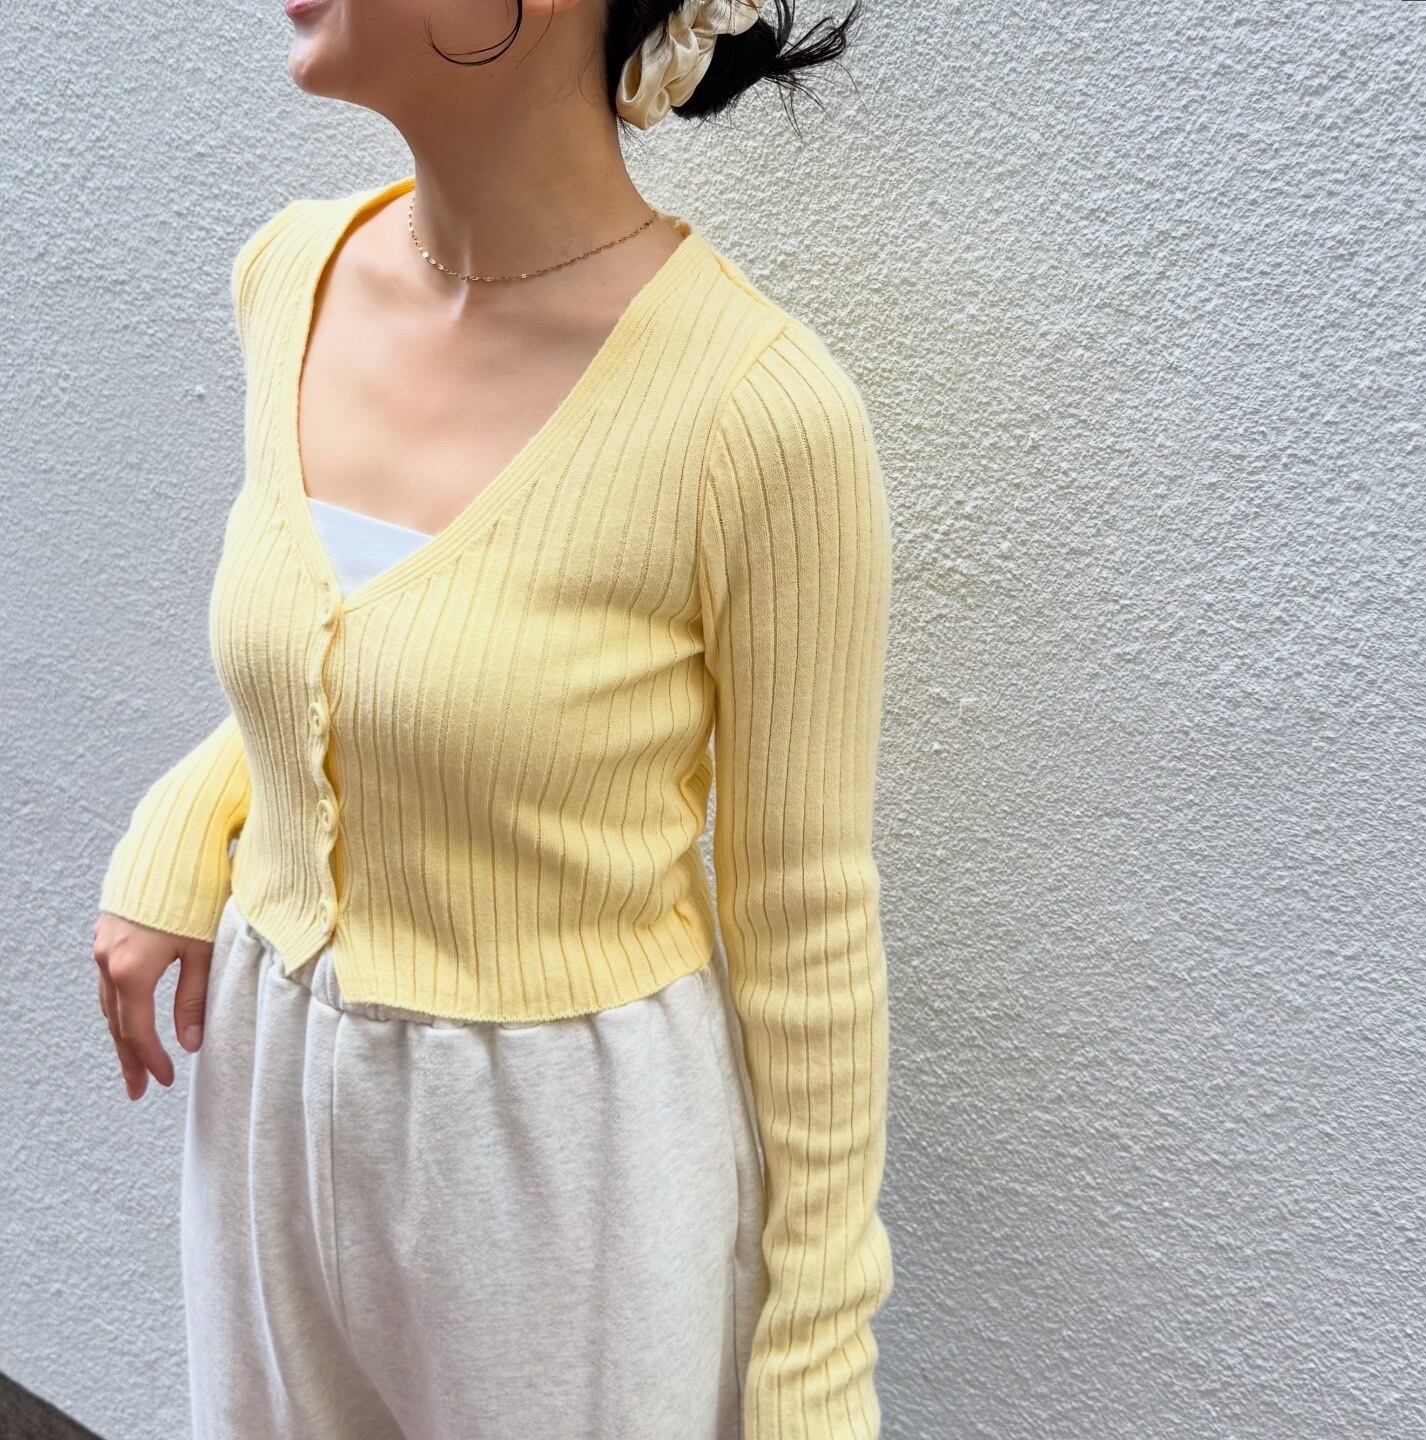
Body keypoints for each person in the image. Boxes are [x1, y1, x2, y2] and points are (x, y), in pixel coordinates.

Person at [92, 2, 895, 1436]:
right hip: (266, 1074)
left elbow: (806, 921)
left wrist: (815, 1380)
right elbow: (357, 661)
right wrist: (190, 826)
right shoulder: (291, 276)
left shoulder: (756, 416)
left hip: (555, 1162)